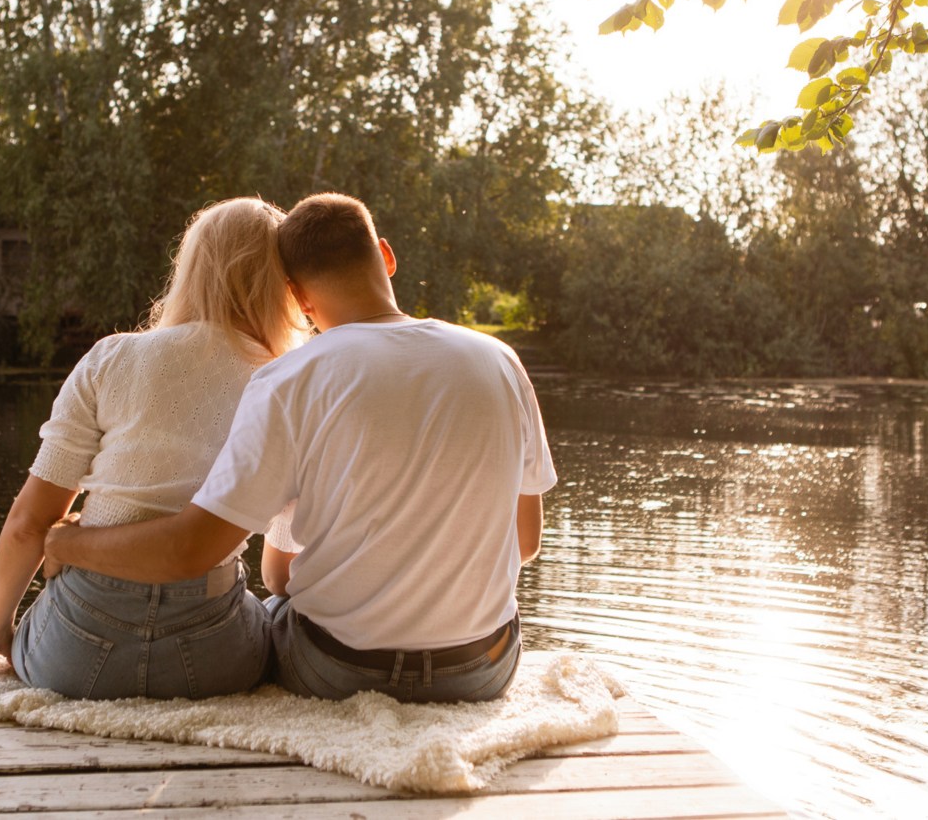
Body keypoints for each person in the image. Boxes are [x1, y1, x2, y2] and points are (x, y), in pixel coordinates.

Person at [45, 192, 557, 703]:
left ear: (297, 295)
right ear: (386, 255)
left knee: (267, 616)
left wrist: (67, 543)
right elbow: (526, 541)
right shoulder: (500, 361)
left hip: (339, 672)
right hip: (480, 668)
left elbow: (243, 565)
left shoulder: (289, 379)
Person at [0, 197, 304, 700]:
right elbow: (282, 565)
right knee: (272, 613)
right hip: (211, 656)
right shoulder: (290, 383)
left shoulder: (112, 358)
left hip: (74, 649)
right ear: (282, 288)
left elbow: (28, 523)